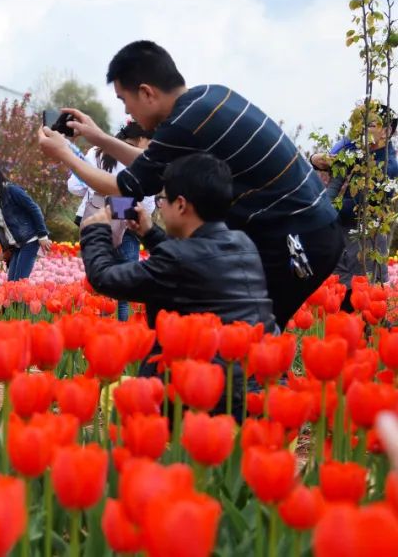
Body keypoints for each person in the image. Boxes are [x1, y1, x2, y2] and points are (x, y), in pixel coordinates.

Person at [38, 40, 344, 330]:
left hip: (296, 238)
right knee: (239, 337)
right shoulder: (207, 99)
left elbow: (126, 187)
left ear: (146, 92)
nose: (127, 113)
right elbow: (151, 163)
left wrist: (65, 153)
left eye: (124, 101)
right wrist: (99, 138)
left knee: (244, 340)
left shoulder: (185, 124)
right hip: (311, 229)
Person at [80, 153, 275, 420]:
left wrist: (96, 230)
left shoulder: (179, 259)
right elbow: (193, 262)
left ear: (181, 205)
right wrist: (150, 233)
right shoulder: (243, 244)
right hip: (253, 389)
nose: (159, 207)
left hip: (202, 397)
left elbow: (105, 277)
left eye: (162, 200)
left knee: (119, 396)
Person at [310, 101, 398, 310]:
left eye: (370, 126)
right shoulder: (359, 153)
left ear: (386, 131)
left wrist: (324, 207)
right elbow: (331, 165)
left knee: (361, 313)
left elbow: (356, 209)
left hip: (365, 255)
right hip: (345, 250)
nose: (362, 131)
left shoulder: (389, 167)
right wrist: (316, 159)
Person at [67, 121, 155, 321]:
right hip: (128, 226)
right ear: (141, 138)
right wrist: (121, 205)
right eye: (151, 142)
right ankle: (121, 330)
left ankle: (98, 326)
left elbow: (75, 187)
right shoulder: (141, 161)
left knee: (99, 282)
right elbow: (147, 206)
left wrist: (99, 191)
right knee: (124, 288)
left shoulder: (95, 153)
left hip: (96, 222)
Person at [0, 164, 52, 281]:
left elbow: (34, 209)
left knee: (18, 282)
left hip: (29, 240)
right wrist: (6, 250)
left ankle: (22, 300)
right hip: (16, 245)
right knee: (11, 283)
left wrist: (42, 235)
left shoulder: (12, 191)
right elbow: (3, 228)